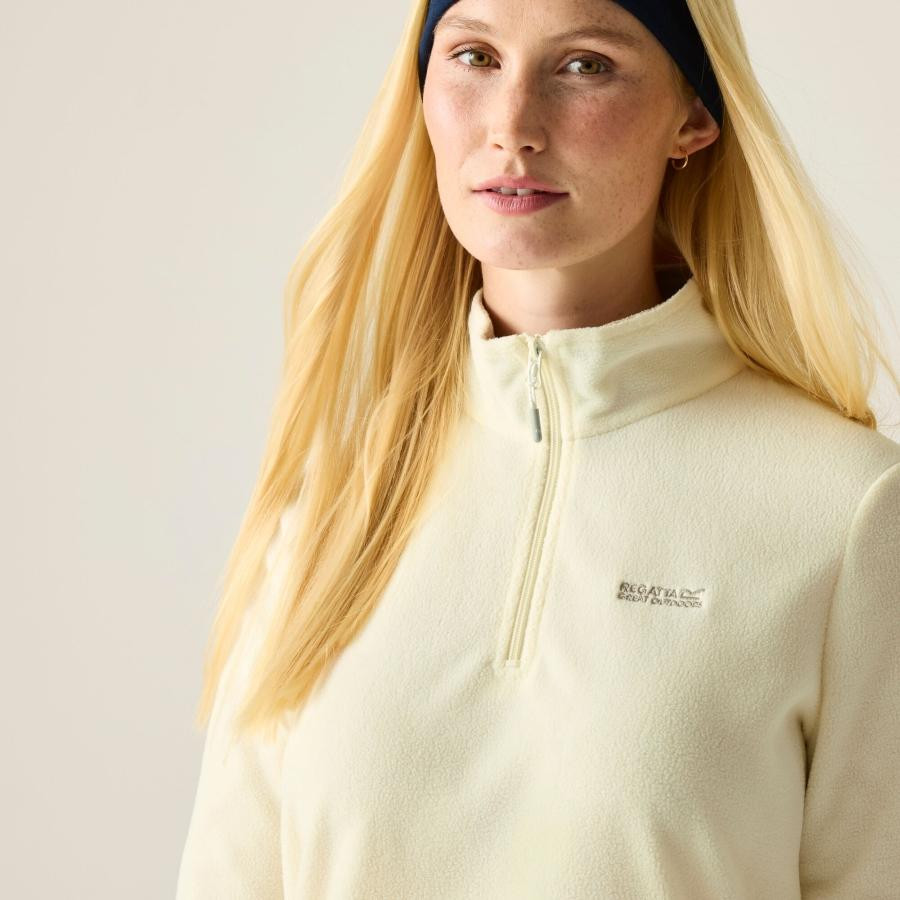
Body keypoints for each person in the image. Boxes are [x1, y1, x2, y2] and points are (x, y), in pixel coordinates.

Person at [175, 0, 900, 897]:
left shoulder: (848, 513)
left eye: (586, 65)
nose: (512, 124)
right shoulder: (335, 493)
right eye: (475, 56)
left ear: (693, 116)